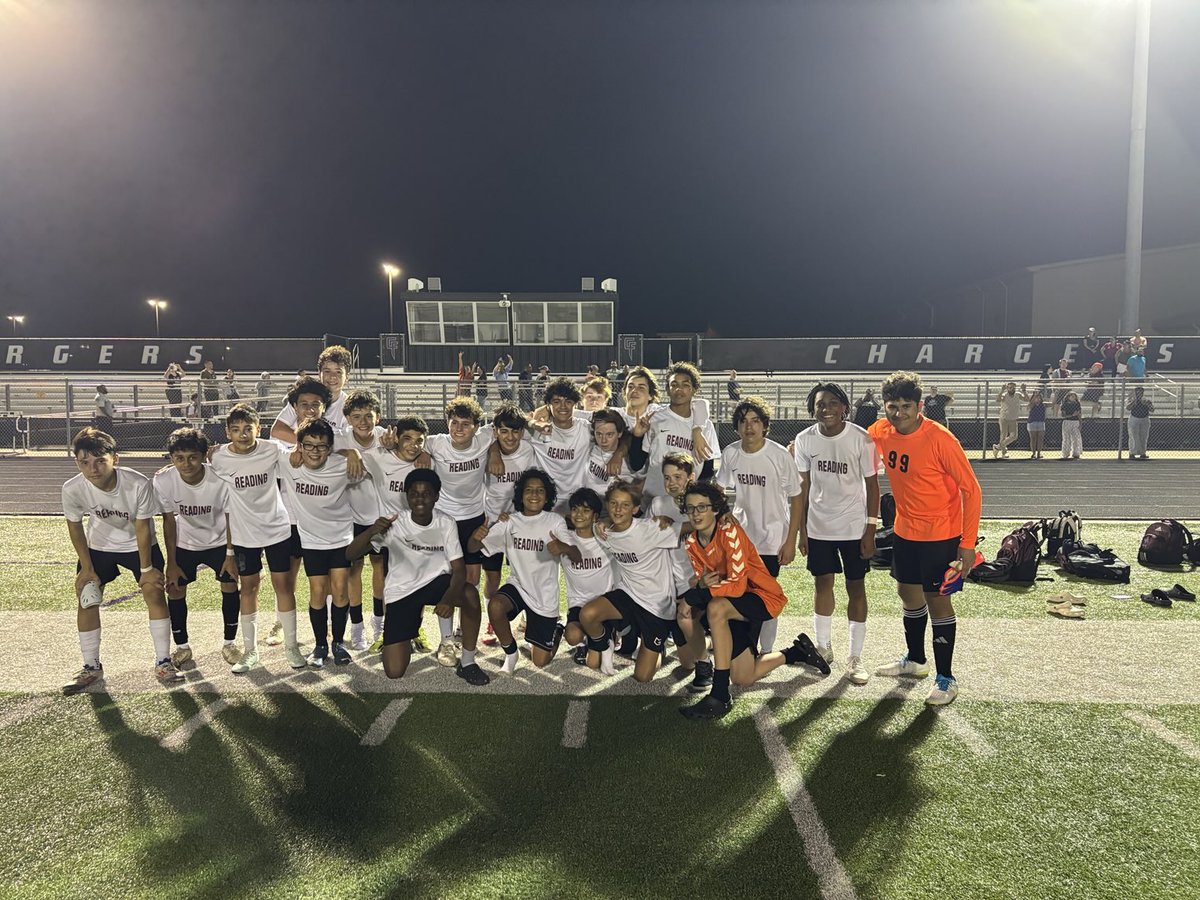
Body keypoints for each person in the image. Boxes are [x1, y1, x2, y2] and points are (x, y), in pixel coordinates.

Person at [867, 371, 982, 707]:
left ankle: (946, 677)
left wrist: (967, 543)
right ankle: (915, 660)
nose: (898, 412)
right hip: (905, 530)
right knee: (907, 592)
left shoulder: (941, 439)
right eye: (892, 406)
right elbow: (850, 442)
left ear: (919, 406)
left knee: (937, 600)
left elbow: (971, 490)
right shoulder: (882, 431)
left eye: (906, 406)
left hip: (941, 534)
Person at [678, 482, 829, 720]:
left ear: (715, 509)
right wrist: (698, 588)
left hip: (761, 597)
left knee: (714, 607)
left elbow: (737, 586)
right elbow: (704, 581)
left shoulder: (730, 532)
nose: (696, 514)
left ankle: (719, 695)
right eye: (690, 508)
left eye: (702, 507)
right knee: (743, 678)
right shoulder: (691, 543)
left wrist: (695, 595)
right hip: (730, 605)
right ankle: (795, 653)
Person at [61, 427, 183, 694]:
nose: (93, 469)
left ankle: (163, 661)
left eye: (100, 461)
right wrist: (86, 569)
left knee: (153, 592)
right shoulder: (72, 488)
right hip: (99, 545)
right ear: (77, 462)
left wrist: (147, 569)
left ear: (114, 459)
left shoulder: (137, 484)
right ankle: (91, 666)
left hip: (138, 544)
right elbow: (75, 526)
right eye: (85, 462)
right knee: (87, 597)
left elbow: (142, 527)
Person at [346, 470, 478, 684]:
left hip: (436, 584)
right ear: (407, 496)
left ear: (436, 496)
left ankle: (469, 663)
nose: (420, 498)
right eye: (414, 493)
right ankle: (408, 629)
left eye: (426, 493)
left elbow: (459, 569)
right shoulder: (395, 523)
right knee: (394, 671)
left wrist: (449, 598)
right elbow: (350, 554)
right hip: (403, 591)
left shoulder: (446, 522)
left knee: (469, 593)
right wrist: (371, 531)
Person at [209, 403, 306, 673]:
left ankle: (291, 646)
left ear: (258, 429)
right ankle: (250, 651)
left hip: (276, 529)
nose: (243, 434)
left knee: (283, 586)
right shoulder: (218, 458)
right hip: (244, 534)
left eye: (248, 429)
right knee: (248, 588)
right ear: (227, 432)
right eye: (236, 430)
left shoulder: (272, 449)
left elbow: (295, 459)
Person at [793, 383, 878, 683]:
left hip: (854, 528)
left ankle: (855, 657)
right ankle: (824, 647)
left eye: (832, 403)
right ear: (812, 408)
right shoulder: (804, 440)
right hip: (819, 528)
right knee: (822, 585)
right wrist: (802, 530)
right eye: (819, 404)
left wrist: (870, 529)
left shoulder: (861, 438)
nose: (826, 408)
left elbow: (872, 486)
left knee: (856, 588)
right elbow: (802, 488)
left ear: (844, 407)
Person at [717, 396, 802, 656]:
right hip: (741, 537)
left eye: (755, 421)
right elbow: (719, 489)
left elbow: (797, 497)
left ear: (765, 425)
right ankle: (745, 647)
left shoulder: (778, 455)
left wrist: (791, 540)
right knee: (741, 591)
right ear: (736, 426)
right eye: (743, 421)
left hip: (772, 538)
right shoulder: (731, 453)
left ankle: (765, 649)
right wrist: (723, 513)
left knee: (766, 594)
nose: (749, 426)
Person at [470, 468, 577, 673]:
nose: (534, 495)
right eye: (529, 490)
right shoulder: (510, 521)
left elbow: (575, 554)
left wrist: (563, 547)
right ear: (521, 495)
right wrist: (476, 537)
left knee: (540, 662)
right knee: (496, 606)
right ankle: (511, 653)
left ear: (547, 497)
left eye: (540, 491)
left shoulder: (554, 522)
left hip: (544, 596)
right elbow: (474, 549)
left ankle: (556, 629)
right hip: (518, 586)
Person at [155, 427, 242, 668]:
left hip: (219, 542)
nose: (186, 464)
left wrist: (230, 554)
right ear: (172, 459)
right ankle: (182, 647)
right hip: (186, 543)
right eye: (179, 458)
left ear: (204, 456)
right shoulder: (163, 480)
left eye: (193, 457)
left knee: (230, 584)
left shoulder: (220, 479)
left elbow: (230, 517)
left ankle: (230, 642)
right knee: (174, 588)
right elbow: (169, 521)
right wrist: (171, 563)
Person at [579, 482, 681, 682]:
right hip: (628, 594)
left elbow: (692, 525)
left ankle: (655, 647)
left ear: (635, 509)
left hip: (656, 605)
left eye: (625, 505)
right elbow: (581, 522)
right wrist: (603, 522)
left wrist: (722, 516)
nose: (618, 509)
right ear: (607, 505)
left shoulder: (651, 528)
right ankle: (604, 644)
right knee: (588, 614)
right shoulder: (603, 531)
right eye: (614, 503)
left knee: (642, 677)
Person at [275, 417, 356, 667]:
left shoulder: (343, 464)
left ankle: (339, 642)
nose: (314, 451)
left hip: (341, 536)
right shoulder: (288, 462)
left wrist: (353, 452)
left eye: (321, 446)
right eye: (308, 445)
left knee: (341, 589)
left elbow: (377, 463)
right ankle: (320, 645)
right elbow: (255, 451)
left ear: (330, 448)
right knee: (318, 591)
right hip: (311, 540)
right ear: (299, 446)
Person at [422, 397, 492, 683]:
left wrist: (497, 452)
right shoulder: (435, 443)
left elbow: (515, 426)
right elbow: (406, 442)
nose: (458, 429)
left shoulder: (486, 438)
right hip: (445, 519)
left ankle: (465, 630)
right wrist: (420, 455)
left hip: (474, 517)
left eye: (465, 424)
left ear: (477, 427)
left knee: (472, 580)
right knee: (448, 579)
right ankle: (446, 639)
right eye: (454, 423)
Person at [360, 415, 431, 652]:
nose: (414, 445)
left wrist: (426, 453)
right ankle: (385, 631)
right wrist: (350, 454)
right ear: (397, 438)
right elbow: (351, 453)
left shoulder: (425, 462)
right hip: (390, 535)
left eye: (419, 441)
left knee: (420, 584)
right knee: (390, 584)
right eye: (408, 439)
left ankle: (416, 629)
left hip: (420, 534)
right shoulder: (381, 458)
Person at [336, 389, 388, 651]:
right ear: (347, 419)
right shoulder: (339, 439)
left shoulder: (386, 437)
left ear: (378, 417)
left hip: (381, 517)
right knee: (353, 570)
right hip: (352, 516)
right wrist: (349, 453)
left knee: (380, 567)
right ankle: (356, 627)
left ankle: (378, 621)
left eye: (368, 415)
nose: (363, 421)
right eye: (357, 416)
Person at [627, 362, 719, 501]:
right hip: (654, 497)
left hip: (687, 503)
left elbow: (706, 471)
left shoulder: (705, 425)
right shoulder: (655, 417)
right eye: (674, 384)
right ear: (668, 390)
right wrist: (637, 436)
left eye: (685, 385)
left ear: (694, 389)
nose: (679, 389)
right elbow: (636, 464)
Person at [558, 488, 615, 664]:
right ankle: (584, 642)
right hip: (578, 603)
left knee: (593, 664)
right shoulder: (564, 538)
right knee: (573, 636)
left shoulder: (607, 538)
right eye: (575, 509)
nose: (579, 514)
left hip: (604, 604)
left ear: (595, 516)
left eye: (586, 510)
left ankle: (608, 635)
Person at [272, 345, 353, 443]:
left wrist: (315, 447)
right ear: (319, 374)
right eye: (327, 371)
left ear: (347, 377)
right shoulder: (304, 395)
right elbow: (277, 430)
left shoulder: (350, 406)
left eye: (338, 372)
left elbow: (347, 442)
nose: (332, 376)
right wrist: (310, 446)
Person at [993, 382, 1021, 458]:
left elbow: (1026, 399)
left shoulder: (1018, 394)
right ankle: (1003, 452)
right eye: (1010, 387)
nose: (1012, 389)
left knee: (1014, 436)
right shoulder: (1004, 395)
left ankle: (998, 447)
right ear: (1007, 388)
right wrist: (1002, 390)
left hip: (1013, 418)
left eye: (1013, 387)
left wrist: (1024, 391)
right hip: (1004, 418)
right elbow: (998, 399)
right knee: (1003, 435)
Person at [1126, 386, 1154, 460]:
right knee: (1133, 436)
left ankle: (1142, 452)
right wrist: (1134, 402)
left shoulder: (1146, 400)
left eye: (1140, 393)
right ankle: (1132, 452)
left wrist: (1147, 404)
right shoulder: (1131, 400)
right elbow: (1128, 408)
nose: (1139, 394)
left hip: (1144, 418)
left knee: (1143, 436)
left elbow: (1152, 410)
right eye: (1137, 393)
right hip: (1134, 418)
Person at [1020, 386, 1046, 459]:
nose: (1037, 399)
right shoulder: (1031, 405)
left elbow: (1053, 404)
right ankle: (1033, 453)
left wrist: (1056, 395)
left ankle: (1039, 453)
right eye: (1036, 397)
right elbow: (1030, 404)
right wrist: (1034, 395)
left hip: (1041, 422)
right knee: (1033, 438)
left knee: (1040, 438)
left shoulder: (1043, 405)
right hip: (1032, 422)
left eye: (1039, 397)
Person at [1060, 390, 1082, 459]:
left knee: (1076, 437)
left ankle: (1076, 453)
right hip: (1067, 421)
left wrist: (1080, 423)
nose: (1073, 397)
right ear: (1068, 397)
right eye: (1071, 396)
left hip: (1075, 422)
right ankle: (1065, 453)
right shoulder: (1064, 404)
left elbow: (1079, 414)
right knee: (1066, 438)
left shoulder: (1077, 404)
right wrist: (1072, 415)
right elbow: (1063, 415)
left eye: (1074, 396)